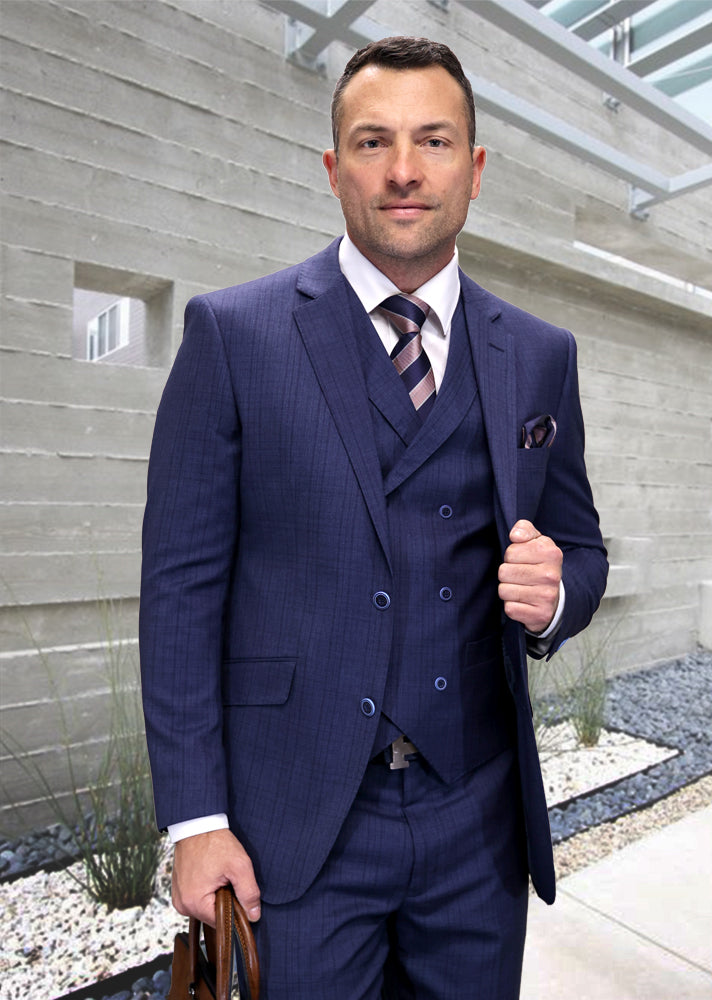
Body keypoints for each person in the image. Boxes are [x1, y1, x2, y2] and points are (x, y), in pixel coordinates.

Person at [140, 36, 608, 999]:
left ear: (473, 170)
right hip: (294, 829)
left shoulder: (538, 352)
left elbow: (583, 549)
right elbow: (180, 589)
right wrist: (195, 821)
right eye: (372, 141)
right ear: (332, 167)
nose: (403, 170)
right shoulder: (234, 334)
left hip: (477, 824)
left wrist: (558, 595)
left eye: (433, 141)